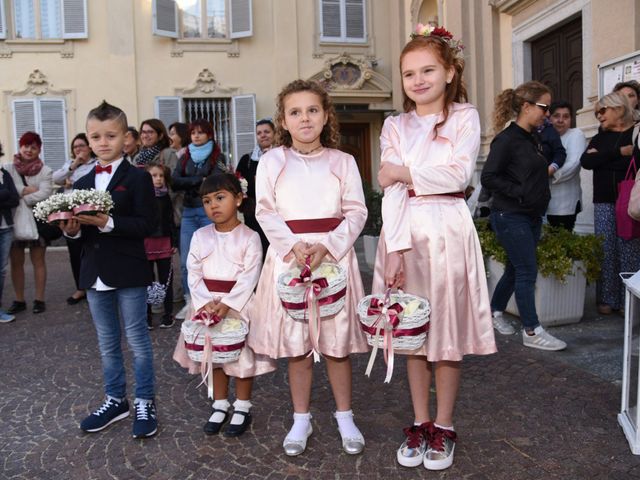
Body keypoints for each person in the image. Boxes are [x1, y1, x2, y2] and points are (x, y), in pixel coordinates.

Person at [371, 26, 497, 471]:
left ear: (449, 72)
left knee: (444, 336)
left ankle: (443, 426)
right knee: (412, 334)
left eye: (428, 70)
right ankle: (419, 421)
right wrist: (394, 249)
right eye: (409, 74)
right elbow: (387, 189)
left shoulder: (464, 116)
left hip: (447, 231)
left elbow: (458, 177)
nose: (418, 80)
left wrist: (401, 171)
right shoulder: (393, 124)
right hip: (405, 233)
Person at [248, 79, 368, 457]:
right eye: (295, 112)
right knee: (298, 347)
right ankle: (301, 417)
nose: (305, 118)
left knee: (336, 345)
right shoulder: (271, 161)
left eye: (313, 110)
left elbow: (357, 211)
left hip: (332, 259)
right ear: (283, 120)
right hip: (291, 260)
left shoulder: (343, 161)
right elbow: (264, 210)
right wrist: (293, 246)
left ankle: (345, 415)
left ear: (326, 115)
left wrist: (328, 246)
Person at [59, 101, 159, 439]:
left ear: (125, 137)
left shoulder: (138, 178)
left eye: (111, 135)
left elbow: (147, 224)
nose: (103, 143)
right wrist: (71, 229)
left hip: (129, 269)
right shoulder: (82, 179)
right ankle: (116, 400)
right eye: (96, 137)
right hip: (93, 271)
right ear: (88, 139)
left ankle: (145, 400)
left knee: (137, 339)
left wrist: (108, 222)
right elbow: (78, 233)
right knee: (106, 342)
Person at [173, 173, 276, 437]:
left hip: (237, 307)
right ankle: (219, 403)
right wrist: (205, 301)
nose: (213, 206)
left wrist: (228, 303)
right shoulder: (199, 236)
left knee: (239, 356)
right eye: (207, 201)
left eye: (220, 198)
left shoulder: (250, 237)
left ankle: (242, 406)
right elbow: (192, 270)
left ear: (239, 199)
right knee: (214, 355)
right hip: (206, 306)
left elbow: (251, 273)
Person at [481, 81, 567, 350]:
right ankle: (532, 331)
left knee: (516, 267)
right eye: (545, 107)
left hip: (531, 214)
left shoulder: (534, 137)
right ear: (527, 106)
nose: (548, 113)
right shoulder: (506, 140)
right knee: (527, 269)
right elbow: (489, 177)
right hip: (510, 214)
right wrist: (519, 192)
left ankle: (494, 311)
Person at [580, 92, 640, 315]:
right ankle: (607, 298)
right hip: (603, 201)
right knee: (606, 249)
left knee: (629, 249)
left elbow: (632, 164)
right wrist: (618, 153)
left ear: (619, 109)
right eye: (596, 112)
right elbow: (586, 162)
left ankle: (629, 303)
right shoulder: (599, 137)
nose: (599, 116)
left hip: (628, 201)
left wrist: (603, 159)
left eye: (603, 110)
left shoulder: (635, 133)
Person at [172, 119, 228, 320]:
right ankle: (190, 302)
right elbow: (175, 180)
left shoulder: (217, 156)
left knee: (211, 258)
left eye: (200, 132)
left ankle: (213, 299)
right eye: (193, 132)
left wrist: (195, 183)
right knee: (187, 260)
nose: (196, 136)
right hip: (188, 212)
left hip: (207, 213)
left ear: (209, 134)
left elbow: (215, 182)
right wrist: (198, 181)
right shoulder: (185, 156)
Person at [6, 131, 53, 315]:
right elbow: (6, 189)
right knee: (16, 262)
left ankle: (39, 299)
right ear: (20, 146)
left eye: (34, 147)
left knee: (38, 260)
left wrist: (21, 197)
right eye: (26, 145)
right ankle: (19, 299)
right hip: (16, 220)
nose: (29, 150)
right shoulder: (8, 168)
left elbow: (45, 193)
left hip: (37, 219)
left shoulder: (46, 170)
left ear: (39, 150)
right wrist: (26, 189)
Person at [53, 133, 98, 305]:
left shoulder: (96, 164)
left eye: (81, 145)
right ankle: (80, 288)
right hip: (70, 215)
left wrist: (74, 182)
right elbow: (56, 179)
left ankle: (94, 284)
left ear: (89, 147)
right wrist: (73, 165)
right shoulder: (70, 165)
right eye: (75, 147)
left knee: (90, 249)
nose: (78, 149)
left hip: (89, 213)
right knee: (74, 252)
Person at [235, 119, 275, 254]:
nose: (263, 135)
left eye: (267, 132)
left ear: (274, 134)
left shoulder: (283, 156)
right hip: (254, 214)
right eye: (259, 133)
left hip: (279, 212)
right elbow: (237, 182)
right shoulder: (247, 160)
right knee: (257, 250)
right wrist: (245, 204)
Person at [144, 162, 176, 330]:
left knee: (166, 280)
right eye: (154, 176)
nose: (158, 179)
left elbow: (171, 220)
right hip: (146, 242)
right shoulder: (141, 197)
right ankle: (147, 317)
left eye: (161, 176)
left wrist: (174, 241)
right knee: (146, 281)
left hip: (164, 242)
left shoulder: (166, 197)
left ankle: (167, 315)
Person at [547, 101, 587, 230]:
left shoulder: (576, 135)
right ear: (549, 118)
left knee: (561, 244)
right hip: (541, 202)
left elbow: (573, 164)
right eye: (556, 116)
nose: (560, 120)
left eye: (566, 117)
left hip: (565, 204)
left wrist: (546, 177)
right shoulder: (543, 136)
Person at [0, 142, 20, 323]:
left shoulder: (4, 174)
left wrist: (4, 194)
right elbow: (7, 195)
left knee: (1, 270)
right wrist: (4, 194)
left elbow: (14, 199)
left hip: (5, 228)